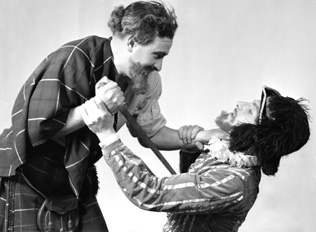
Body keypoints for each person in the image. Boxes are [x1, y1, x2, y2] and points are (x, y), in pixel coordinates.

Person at [0, 0, 206, 232]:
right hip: (26, 175)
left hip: (74, 179)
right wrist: (99, 106)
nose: (159, 66)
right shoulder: (74, 57)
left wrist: (199, 137)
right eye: (157, 55)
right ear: (131, 42)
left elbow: (153, 133)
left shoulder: (145, 80)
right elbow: (37, 129)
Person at [80, 85, 310, 232]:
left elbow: (151, 193)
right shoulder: (227, 153)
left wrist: (107, 135)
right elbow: (189, 184)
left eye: (251, 111)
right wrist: (192, 141)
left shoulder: (234, 182)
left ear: (260, 137)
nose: (240, 104)